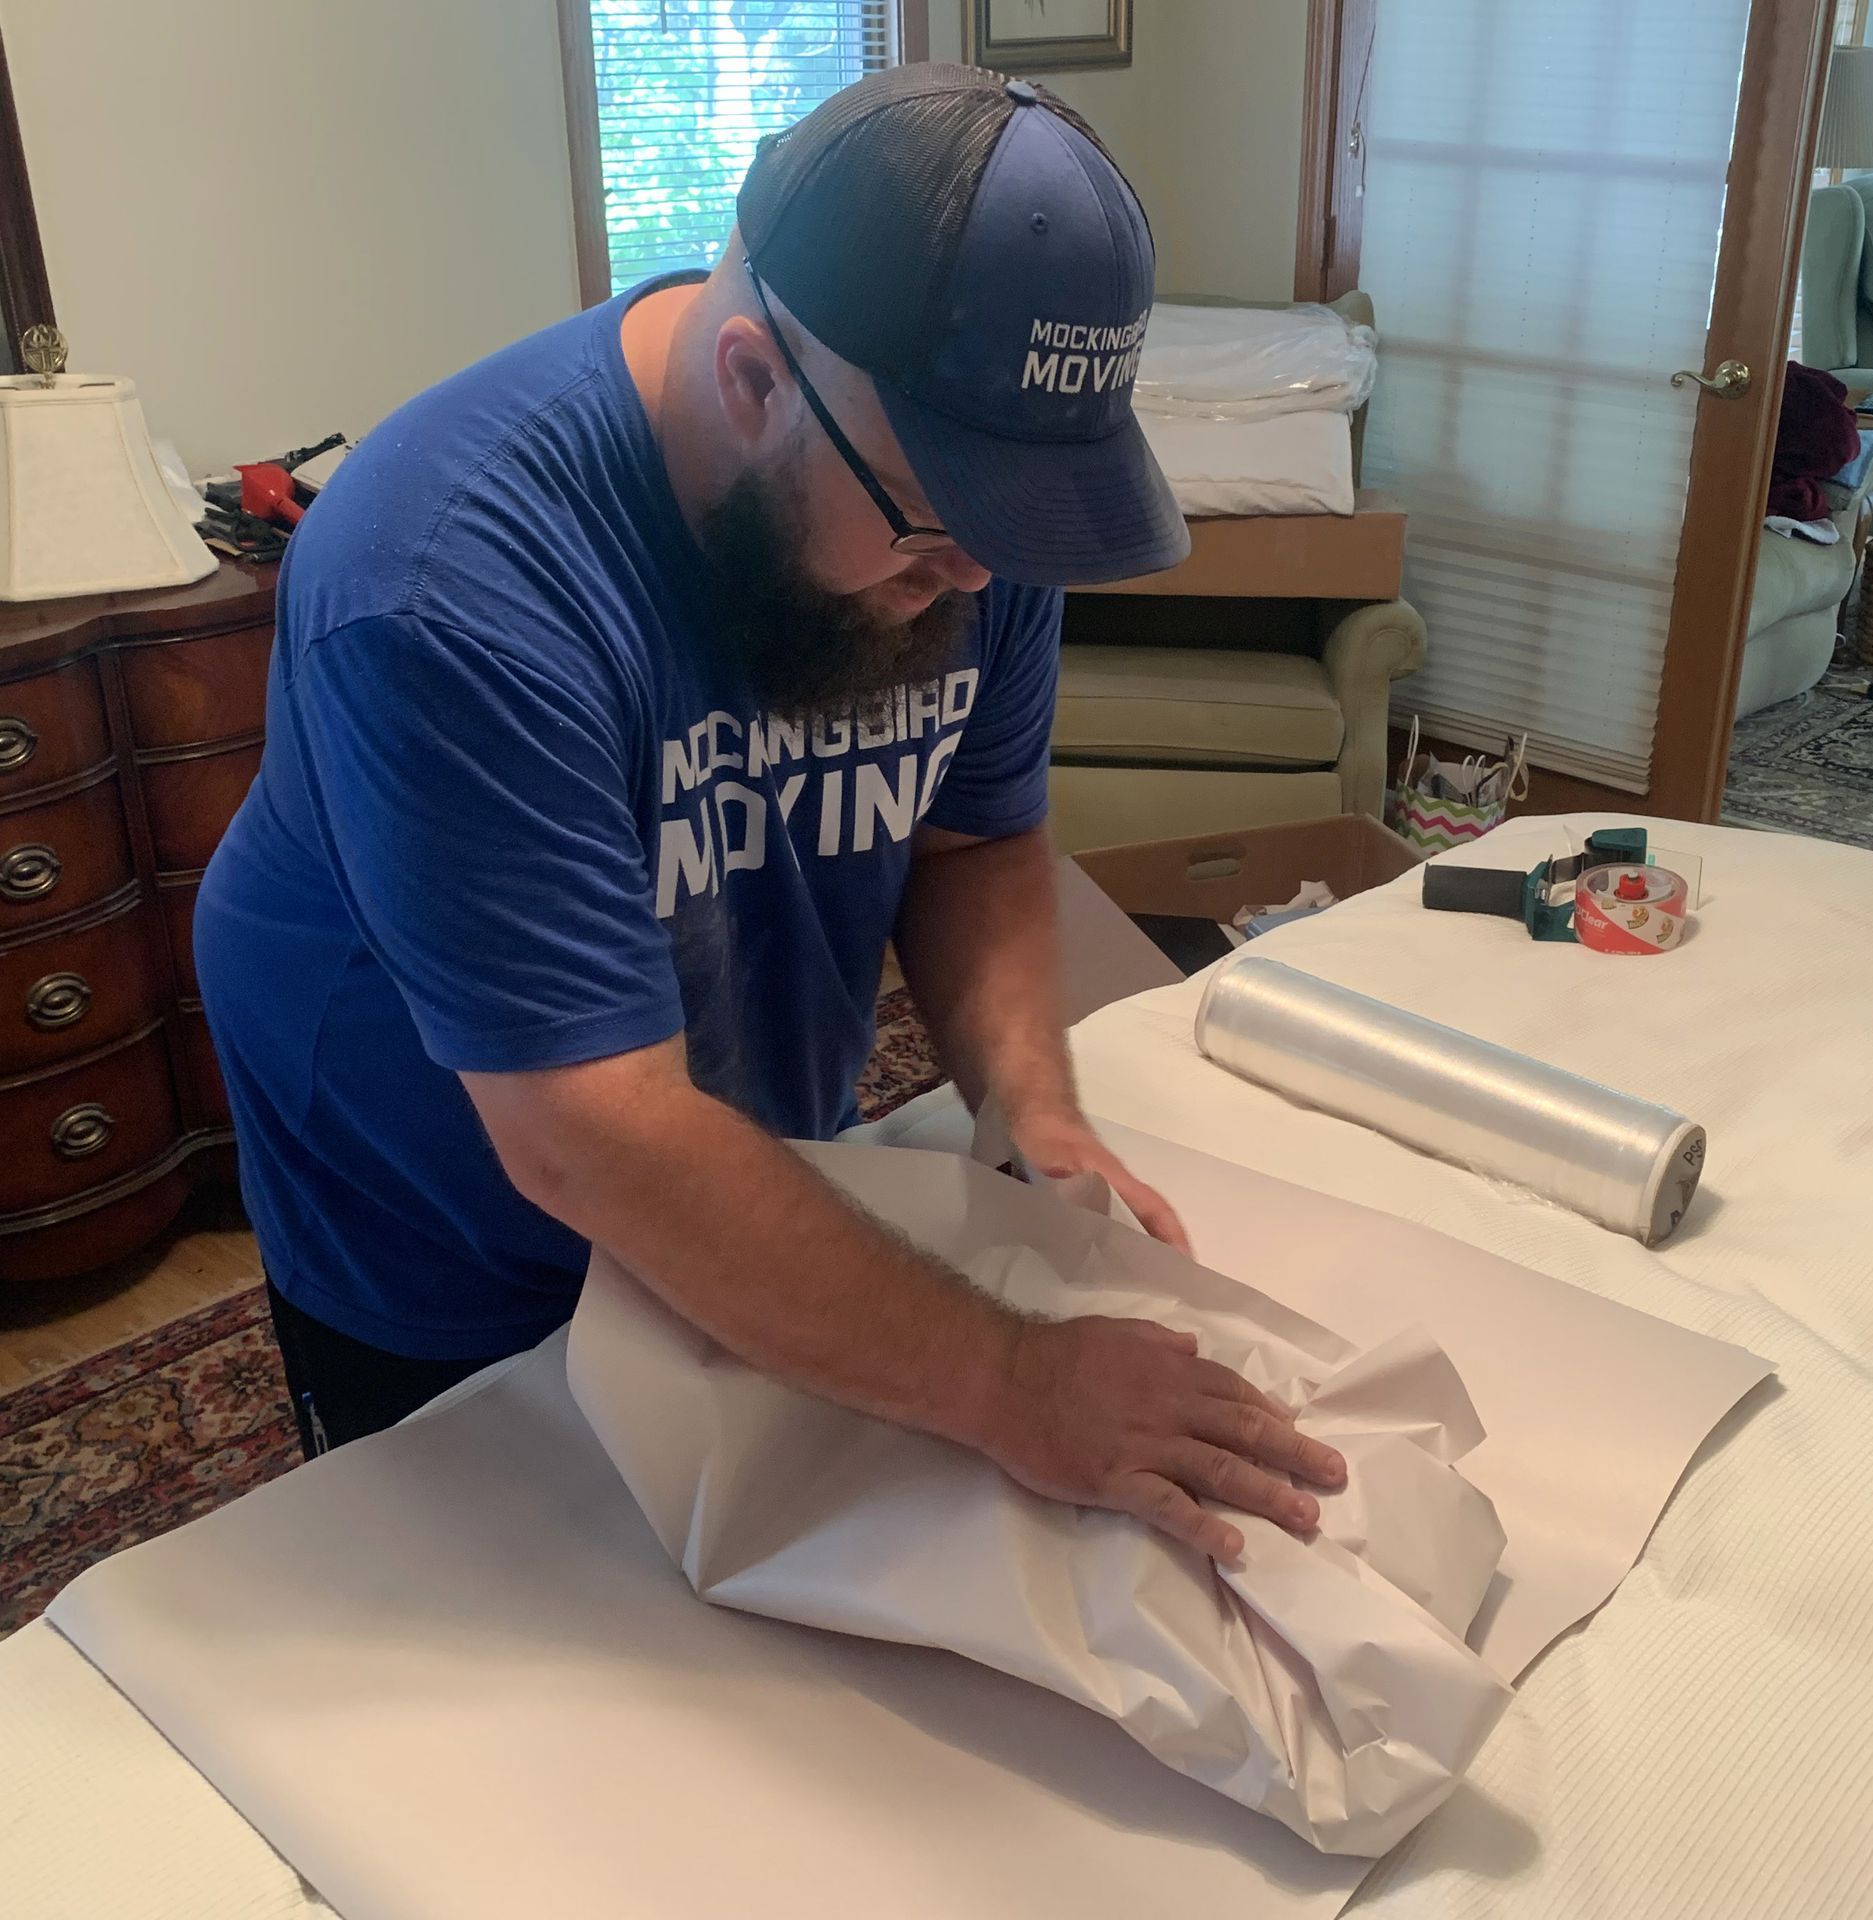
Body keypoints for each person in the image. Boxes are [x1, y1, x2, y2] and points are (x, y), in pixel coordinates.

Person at [195, 63, 1345, 1561]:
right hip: (447, 1224)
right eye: (944, 530)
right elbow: (593, 1140)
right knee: (530, 1698)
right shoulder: (445, 585)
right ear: (750, 381)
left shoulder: (954, 518)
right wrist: (1015, 1379)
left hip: (729, 1142)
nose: (985, 584)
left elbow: (973, 835)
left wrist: (1030, 1102)